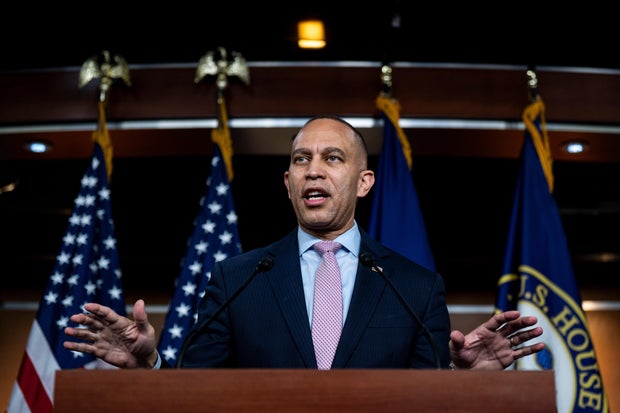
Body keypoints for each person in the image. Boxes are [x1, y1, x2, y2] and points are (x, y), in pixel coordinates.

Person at [64, 115, 544, 370]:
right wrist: (148, 362)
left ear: (364, 182)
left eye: (333, 158)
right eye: (301, 159)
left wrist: (460, 381)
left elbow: (429, 397)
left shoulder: (416, 288)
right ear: (288, 182)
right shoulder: (236, 278)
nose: (313, 169)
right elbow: (195, 390)